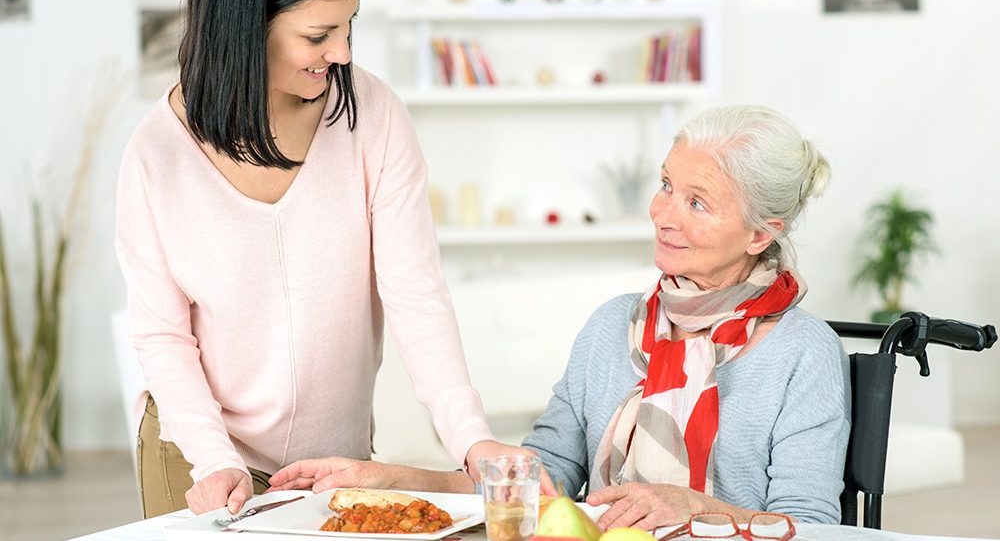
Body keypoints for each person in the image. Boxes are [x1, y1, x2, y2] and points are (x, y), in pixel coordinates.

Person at [114, 0, 535, 519]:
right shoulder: (156, 154)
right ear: (244, 27)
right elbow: (162, 334)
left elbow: (415, 294)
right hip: (199, 455)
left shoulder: (374, 118)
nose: (341, 53)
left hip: (333, 464)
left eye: (349, 27)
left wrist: (471, 440)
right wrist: (214, 459)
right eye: (318, 34)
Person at [268, 105, 851, 528]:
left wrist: (695, 506)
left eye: (696, 202)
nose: (663, 215)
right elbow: (540, 480)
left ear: (760, 234)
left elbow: (812, 526)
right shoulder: (612, 327)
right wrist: (391, 481)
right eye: (667, 186)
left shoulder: (804, 352)